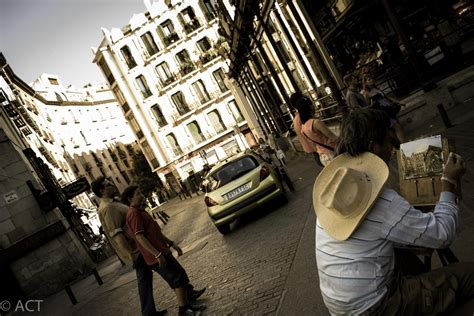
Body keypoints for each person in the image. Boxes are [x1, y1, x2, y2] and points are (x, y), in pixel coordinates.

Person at [313, 108, 473, 315]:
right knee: (469, 275)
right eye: (390, 142)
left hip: (341, 306)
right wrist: (449, 181)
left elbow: (379, 227)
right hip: (376, 307)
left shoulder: (336, 194)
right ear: (374, 147)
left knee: (409, 260)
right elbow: (442, 234)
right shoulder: (381, 202)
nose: (393, 148)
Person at [122, 186, 207, 316]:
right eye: (138, 194)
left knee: (181, 276)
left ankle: (187, 306)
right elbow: (140, 237)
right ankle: (183, 311)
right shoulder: (133, 213)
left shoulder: (140, 211)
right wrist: (157, 255)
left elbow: (155, 232)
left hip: (162, 250)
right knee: (176, 280)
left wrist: (171, 243)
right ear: (130, 198)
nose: (142, 195)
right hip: (156, 255)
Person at [91, 177, 166, 316]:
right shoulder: (108, 208)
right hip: (139, 250)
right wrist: (133, 255)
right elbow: (117, 235)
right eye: (108, 184)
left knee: (145, 281)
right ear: (102, 191)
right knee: (165, 268)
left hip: (140, 248)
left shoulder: (114, 203)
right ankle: (185, 294)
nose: (112, 184)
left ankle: (149, 312)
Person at [290, 92, 338, 167]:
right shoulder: (315, 123)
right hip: (331, 152)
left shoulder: (302, 125)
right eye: (312, 104)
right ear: (309, 107)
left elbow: (313, 144)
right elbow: (333, 138)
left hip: (321, 155)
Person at [362, 76, 406, 143]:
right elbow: (368, 107)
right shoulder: (366, 93)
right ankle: (404, 144)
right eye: (369, 79)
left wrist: (399, 102)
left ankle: (400, 145)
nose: (371, 80)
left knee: (396, 127)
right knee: (397, 126)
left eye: (371, 78)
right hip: (381, 111)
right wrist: (372, 104)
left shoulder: (376, 88)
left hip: (388, 108)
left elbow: (388, 97)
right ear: (365, 83)